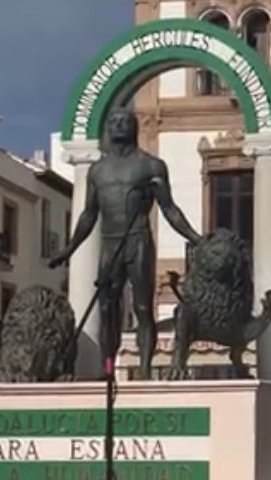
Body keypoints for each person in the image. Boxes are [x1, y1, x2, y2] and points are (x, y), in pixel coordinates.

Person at [49, 108, 202, 380]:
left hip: (138, 239)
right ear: (107, 128)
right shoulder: (97, 171)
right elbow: (88, 215)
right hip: (109, 243)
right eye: (114, 122)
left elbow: (169, 209)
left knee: (143, 308)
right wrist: (70, 249)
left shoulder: (151, 166)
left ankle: (143, 370)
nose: (119, 126)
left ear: (134, 127)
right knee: (107, 307)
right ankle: (108, 368)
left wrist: (195, 238)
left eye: (125, 122)